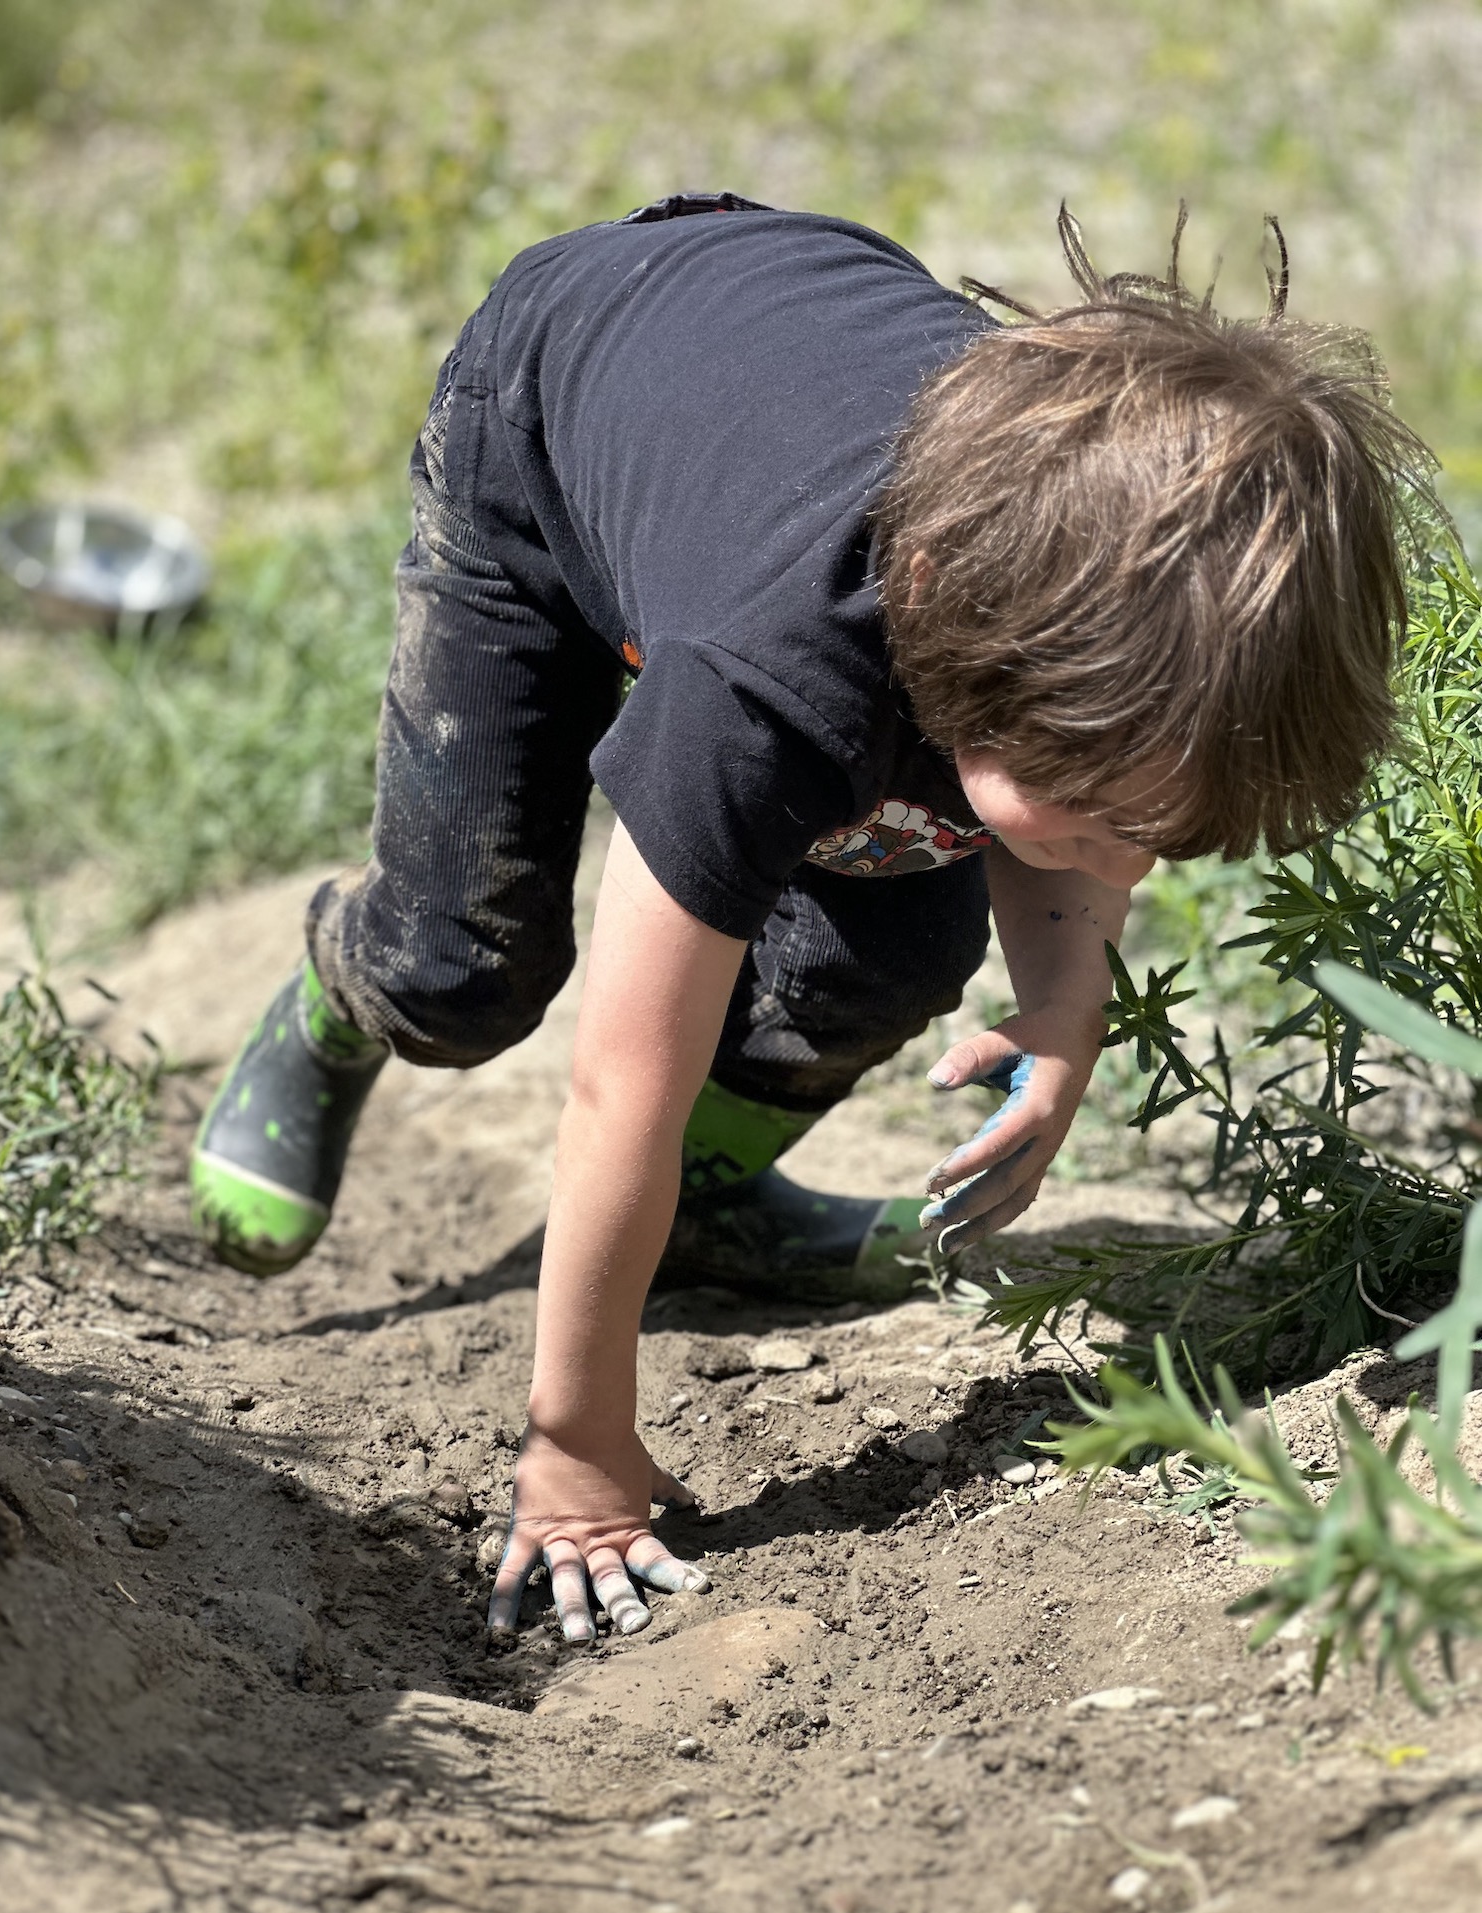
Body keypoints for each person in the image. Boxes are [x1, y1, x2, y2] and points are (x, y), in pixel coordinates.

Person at [188, 194, 1427, 1646]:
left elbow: (1079, 819)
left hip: (780, 432)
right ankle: (344, 992)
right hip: (547, 413)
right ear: (962, 634)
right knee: (469, 969)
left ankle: (706, 1214)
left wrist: (1064, 1009)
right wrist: (578, 1452)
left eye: (1158, 831)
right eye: (1094, 815)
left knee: (886, 955)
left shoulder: (1062, 620)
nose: (1128, 866)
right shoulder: (771, 685)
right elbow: (621, 1086)